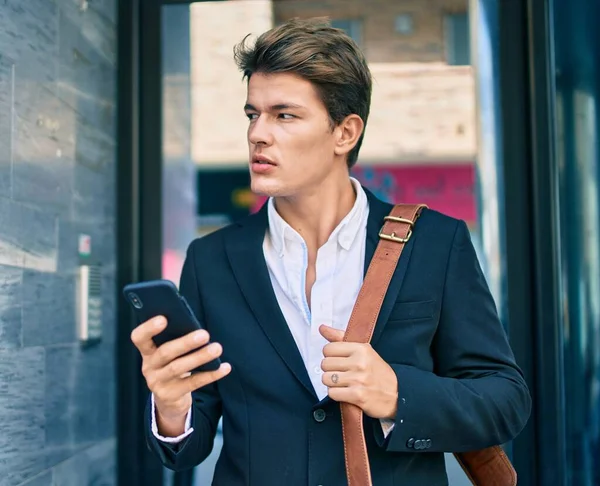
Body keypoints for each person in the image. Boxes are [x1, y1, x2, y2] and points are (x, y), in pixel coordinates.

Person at [131, 18, 531, 485]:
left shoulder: (435, 243)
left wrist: (398, 393)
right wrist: (172, 407)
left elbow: (505, 400)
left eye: (284, 115)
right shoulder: (211, 259)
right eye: (252, 114)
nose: (258, 133)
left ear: (345, 133)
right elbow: (187, 449)